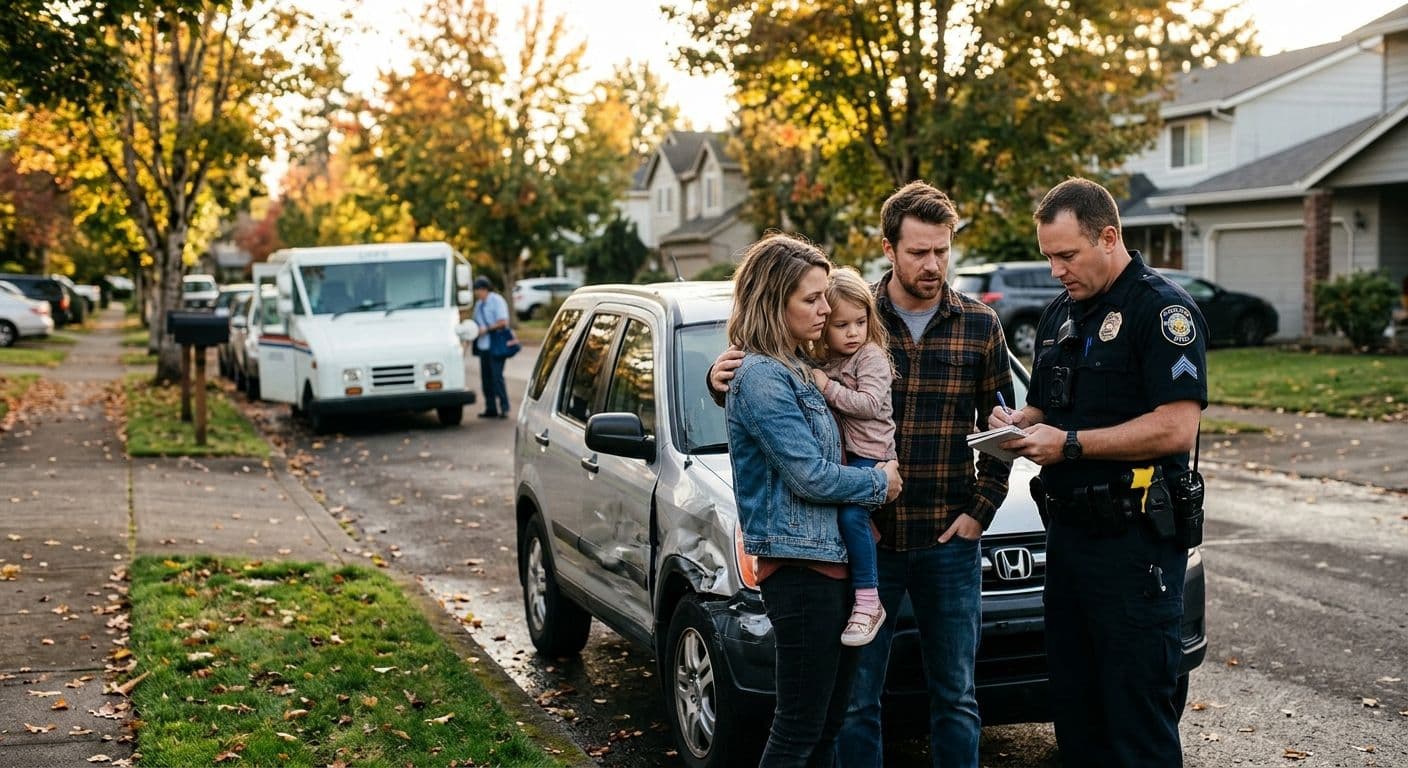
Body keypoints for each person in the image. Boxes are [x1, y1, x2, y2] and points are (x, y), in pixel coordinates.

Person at [711, 182, 1014, 768]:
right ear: (889, 249)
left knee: (956, 697)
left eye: (943, 251)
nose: (932, 264)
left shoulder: (981, 325)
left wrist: (982, 509)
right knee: (852, 705)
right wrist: (719, 377)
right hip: (865, 540)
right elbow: (778, 376)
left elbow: (1001, 426)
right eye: (919, 252)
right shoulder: (848, 315)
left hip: (948, 538)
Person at [989, 177, 1207, 767]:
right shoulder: (1062, 312)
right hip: (1067, 542)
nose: (1056, 270)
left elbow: (1175, 427)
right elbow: (1048, 406)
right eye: (1048, 256)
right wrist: (1015, 422)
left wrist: (1073, 446)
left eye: (1066, 255)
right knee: (1077, 717)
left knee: (1136, 723)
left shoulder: (1161, 310)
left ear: (1108, 237)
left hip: (1132, 547)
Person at [725, 233, 903, 767]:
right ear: (773, 301)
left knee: (826, 728)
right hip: (801, 570)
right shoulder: (761, 375)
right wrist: (881, 484)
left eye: (826, 295)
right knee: (798, 728)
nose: (826, 309)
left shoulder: (796, 368)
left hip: (833, 564)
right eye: (812, 298)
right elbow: (809, 477)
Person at [811, 266, 896, 647]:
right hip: (845, 456)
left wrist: (827, 387)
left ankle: (868, 600)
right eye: (842, 325)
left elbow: (867, 403)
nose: (853, 333)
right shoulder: (825, 360)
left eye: (860, 322)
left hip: (873, 456)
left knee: (850, 513)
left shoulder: (871, 357)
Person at [471, 276, 511, 418]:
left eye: (478, 290)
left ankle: (504, 407)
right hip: (483, 346)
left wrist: (486, 329)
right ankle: (491, 408)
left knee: (497, 377)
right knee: (486, 379)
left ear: (485, 289)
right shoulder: (478, 305)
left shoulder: (497, 301)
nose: (477, 293)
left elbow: (503, 322)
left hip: (495, 345)